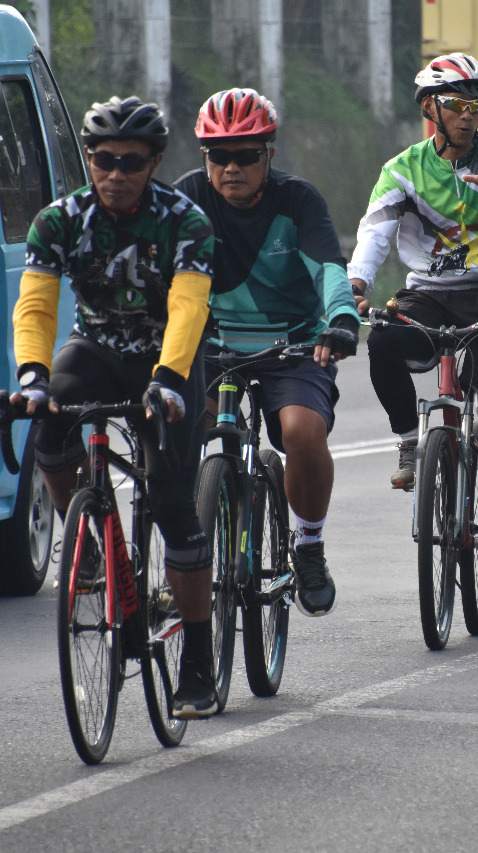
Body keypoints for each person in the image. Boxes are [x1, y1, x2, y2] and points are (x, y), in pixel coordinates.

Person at [11, 96, 219, 718]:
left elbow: (188, 306)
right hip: (97, 349)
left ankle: (198, 661)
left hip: (168, 359)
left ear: (154, 163)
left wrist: (169, 380)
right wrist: (32, 376)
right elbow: (37, 305)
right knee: (48, 425)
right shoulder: (59, 221)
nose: (117, 174)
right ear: (89, 160)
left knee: (174, 504)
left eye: (131, 162)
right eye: (104, 160)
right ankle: (90, 546)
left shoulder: (185, 222)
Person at [347, 52, 478, 601]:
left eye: (476, 106)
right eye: (456, 104)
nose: (468, 115)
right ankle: (409, 441)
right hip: (428, 294)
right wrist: (357, 283)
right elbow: (375, 231)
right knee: (383, 339)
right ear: (430, 108)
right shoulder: (403, 169)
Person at [175, 88, 358, 618]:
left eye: (246, 155)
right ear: (204, 156)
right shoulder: (186, 199)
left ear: (269, 155)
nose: (231, 167)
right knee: (176, 425)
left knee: (302, 432)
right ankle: (180, 545)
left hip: (292, 342)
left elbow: (329, 269)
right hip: (209, 344)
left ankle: (309, 546)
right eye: (219, 155)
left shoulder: (298, 200)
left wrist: (341, 319)